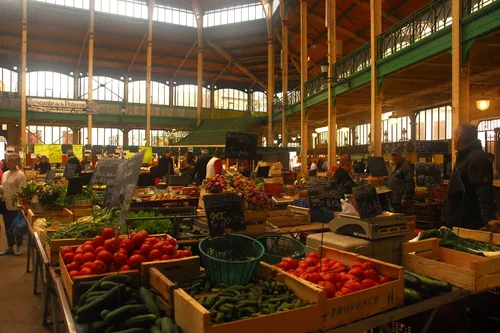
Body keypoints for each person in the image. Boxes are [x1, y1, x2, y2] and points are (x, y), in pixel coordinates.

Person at [442, 124, 500, 230]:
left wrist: (489, 218)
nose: (453, 139)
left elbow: (483, 189)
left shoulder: (476, 158)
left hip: (466, 222)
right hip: (457, 219)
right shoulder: (465, 157)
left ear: (458, 138)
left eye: (454, 136)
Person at [0, 153, 26, 256]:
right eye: (7, 160)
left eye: (10, 161)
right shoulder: (5, 173)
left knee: (17, 227)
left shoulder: (20, 175)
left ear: (16, 162)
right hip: (5, 203)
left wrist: (20, 205)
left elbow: (22, 191)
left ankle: (18, 246)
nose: (7, 162)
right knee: (7, 227)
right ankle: (10, 247)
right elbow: (3, 187)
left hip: (16, 206)